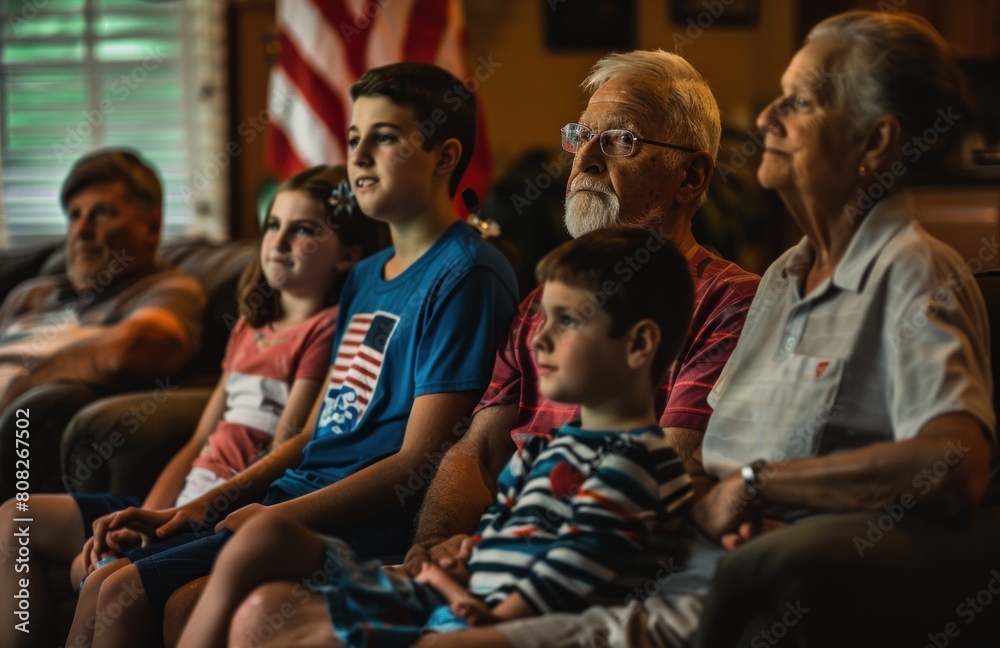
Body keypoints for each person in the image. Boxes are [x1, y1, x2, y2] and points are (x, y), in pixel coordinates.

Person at [222, 48, 761, 648]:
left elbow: (672, 469)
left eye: (622, 141)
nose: (581, 161)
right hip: (488, 559)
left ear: (692, 177)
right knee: (262, 610)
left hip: (571, 580)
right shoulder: (538, 305)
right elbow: (478, 449)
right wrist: (435, 547)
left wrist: (497, 573)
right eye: (581, 136)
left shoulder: (729, 304)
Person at [63, 61, 519, 648]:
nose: (358, 156)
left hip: (359, 520)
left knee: (125, 596)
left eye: (384, 137)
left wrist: (279, 520)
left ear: (445, 156)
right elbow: (310, 434)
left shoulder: (467, 274)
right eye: (355, 137)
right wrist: (199, 508)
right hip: (294, 495)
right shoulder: (364, 278)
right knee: (105, 581)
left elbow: (420, 460)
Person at [175, 226, 698, 648]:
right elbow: (498, 537)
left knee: (293, 625)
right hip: (457, 596)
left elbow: (567, 581)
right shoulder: (544, 451)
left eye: (566, 321)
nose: (538, 338)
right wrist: (459, 552)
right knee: (263, 584)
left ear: (639, 344)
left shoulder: (636, 465)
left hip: (495, 623)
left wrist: (466, 598)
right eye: (543, 319)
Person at [688, 11, 996, 646]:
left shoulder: (911, 271)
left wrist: (758, 486)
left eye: (799, 102)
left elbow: (954, 465)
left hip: (744, 591)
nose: (765, 118)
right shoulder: (780, 275)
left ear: (876, 142)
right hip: (695, 563)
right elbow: (711, 460)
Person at [0, 163, 380, 648]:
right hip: (183, 501)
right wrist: (151, 511)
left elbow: (289, 446)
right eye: (273, 225)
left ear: (348, 255)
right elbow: (201, 440)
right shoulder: (248, 328)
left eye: (303, 230)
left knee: (97, 575)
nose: (278, 242)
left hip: (224, 507)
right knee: (18, 516)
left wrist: (182, 518)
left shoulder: (327, 331)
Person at [0, 148, 206, 498]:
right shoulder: (31, 294)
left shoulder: (165, 289)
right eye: (75, 215)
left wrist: (21, 383)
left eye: (103, 214)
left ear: (151, 227)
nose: (81, 230)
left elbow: (134, 350)